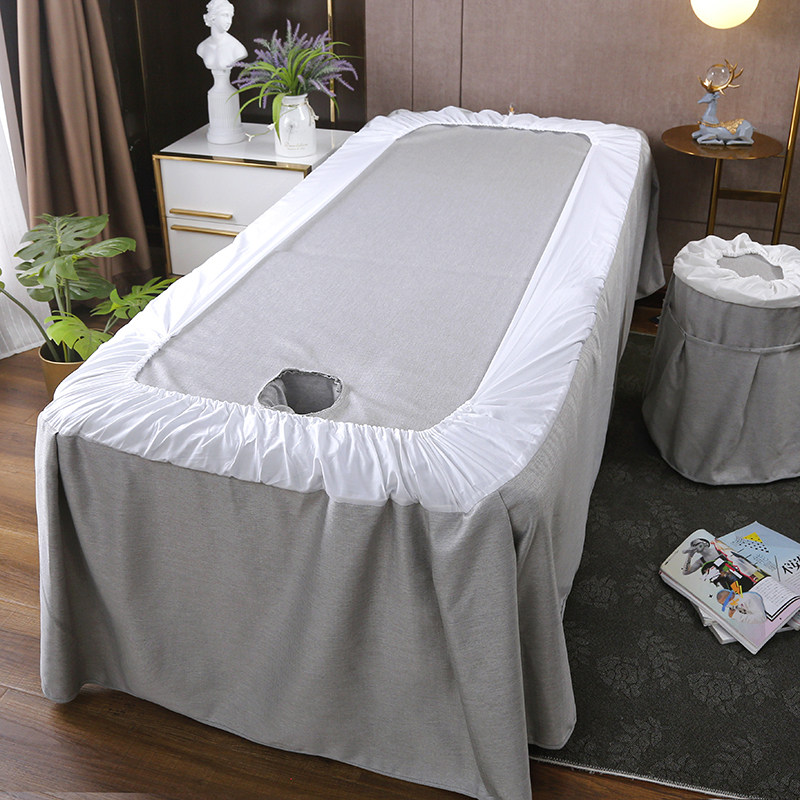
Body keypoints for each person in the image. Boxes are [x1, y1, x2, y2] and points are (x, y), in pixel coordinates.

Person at [196, 0, 247, 73]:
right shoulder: (202, 47)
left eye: (231, 16)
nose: (229, 21)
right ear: (213, 17)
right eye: (225, 15)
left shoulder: (237, 48)